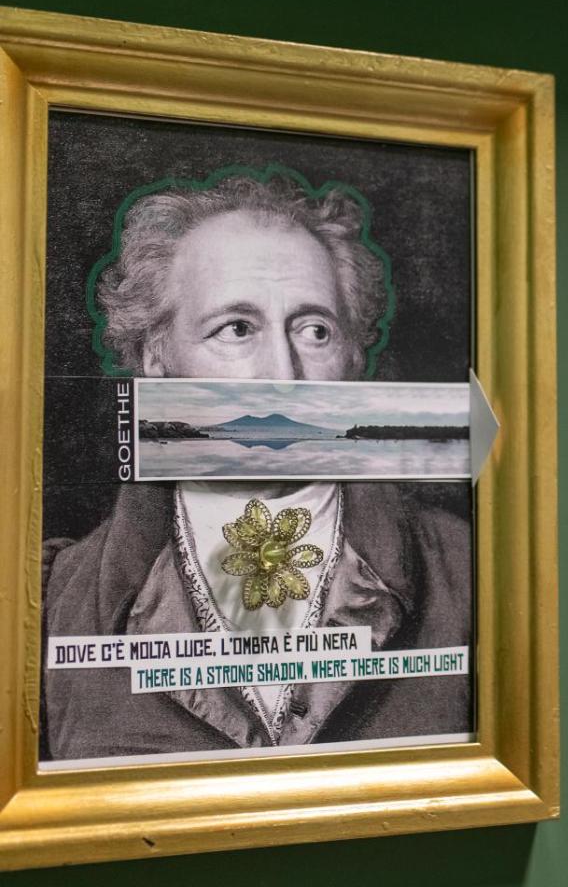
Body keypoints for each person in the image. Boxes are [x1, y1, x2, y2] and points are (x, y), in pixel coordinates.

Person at [43, 172, 472, 762]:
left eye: (315, 330)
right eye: (237, 329)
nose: (283, 374)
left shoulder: (464, 569)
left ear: (352, 356)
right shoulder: (53, 599)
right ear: (155, 355)